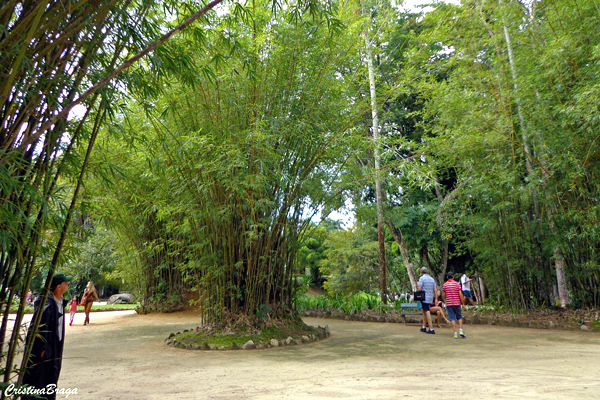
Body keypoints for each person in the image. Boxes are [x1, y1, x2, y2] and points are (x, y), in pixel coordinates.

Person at [22, 273, 73, 399]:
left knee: (51, 377)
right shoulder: (47, 304)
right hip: (46, 349)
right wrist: (42, 349)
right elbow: (38, 329)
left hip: (55, 346)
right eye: (65, 283)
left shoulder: (59, 302)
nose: (68, 284)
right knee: (40, 379)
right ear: (58, 286)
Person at [443, 271, 466, 339]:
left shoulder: (445, 285)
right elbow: (460, 294)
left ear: (447, 277)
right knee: (459, 317)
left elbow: (444, 295)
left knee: (452, 318)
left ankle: (455, 333)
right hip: (457, 303)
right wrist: (463, 303)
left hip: (449, 304)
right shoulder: (457, 284)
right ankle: (461, 330)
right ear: (453, 277)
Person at [417, 267, 437, 334]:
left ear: (422, 272)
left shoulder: (422, 278)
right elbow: (435, 289)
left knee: (427, 311)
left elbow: (419, 289)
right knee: (424, 311)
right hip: (430, 297)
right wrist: (436, 298)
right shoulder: (432, 279)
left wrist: (418, 285)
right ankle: (424, 326)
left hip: (424, 297)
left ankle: (431, 328)